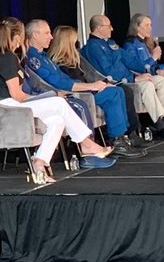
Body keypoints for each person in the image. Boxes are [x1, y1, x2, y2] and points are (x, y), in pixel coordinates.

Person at [0, 18, 115, 183]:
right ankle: (86, 144)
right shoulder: (8, 57)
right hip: (6, 106)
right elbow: (17, 95)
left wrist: (45, 97)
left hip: (13, 103)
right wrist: (46, 97)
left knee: (57, 120)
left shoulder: (9, 57)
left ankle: (39, 163)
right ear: (17, 36)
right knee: (59, 103)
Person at [23, 20, 145, 159]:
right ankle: (117, 141)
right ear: (35, 35)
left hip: (76, 88)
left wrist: (98, 84)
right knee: (113, 94)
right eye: (46, 33)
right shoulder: (33, 58)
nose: (51, 37)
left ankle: (122, 137)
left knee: (117, 90)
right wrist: (91, 86)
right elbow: (59, 83)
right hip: (67, 94)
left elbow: (65, 79)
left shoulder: (43, 56)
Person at [82, 13, 164, 139]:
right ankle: (159, 124)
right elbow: (108, 71)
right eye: (109, 26)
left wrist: (156, 70)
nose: (112, 28)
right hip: (118, 81)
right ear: (99, 28)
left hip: (129, 77)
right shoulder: (93, 47)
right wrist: (134, 78)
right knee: (147, 84)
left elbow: (131, 61)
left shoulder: (110, 43)